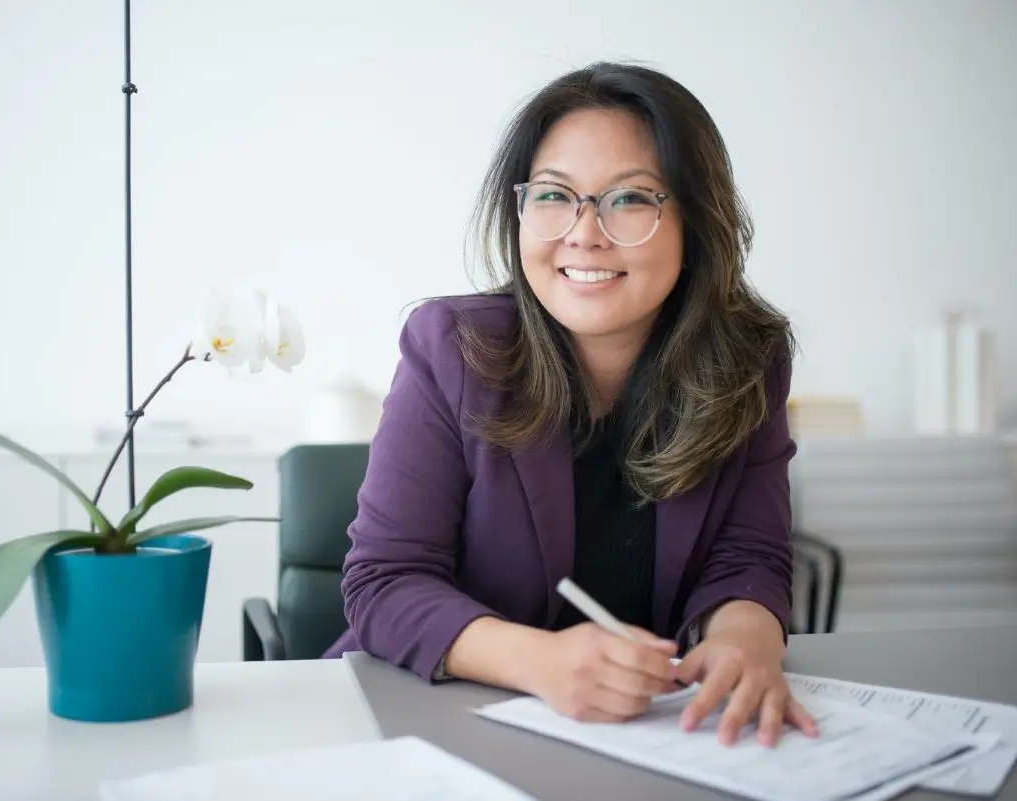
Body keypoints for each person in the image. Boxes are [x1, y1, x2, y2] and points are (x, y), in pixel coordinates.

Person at [323, 61, 818, 749]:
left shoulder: (747, 361)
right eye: (555, 195)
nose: (584, 233)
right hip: (428, 728)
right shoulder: (451, 349)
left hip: (649, 740)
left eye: (630, 199)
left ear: (696, 223)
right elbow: (383, 583)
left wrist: (745, 638)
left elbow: (749, 557)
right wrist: (540, 662)